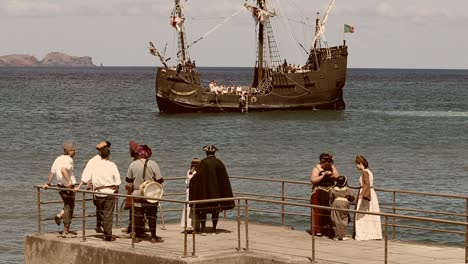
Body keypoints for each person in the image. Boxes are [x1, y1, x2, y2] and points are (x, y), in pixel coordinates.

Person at [74, 141, 121, 242]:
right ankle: (108, 235)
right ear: (108, 154)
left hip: (98, 193)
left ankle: (105, 231)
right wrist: (117, 190)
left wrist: (79, 186)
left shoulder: (93, 163)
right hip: (109, 191)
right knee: (108, 214)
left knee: (102, 213)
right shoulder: (112, 165)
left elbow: (85, 175)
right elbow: (118, 180)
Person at [189, 144, 235, 235]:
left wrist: (191, 180)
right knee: (215, 211)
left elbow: (197, 178)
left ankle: (203, 229)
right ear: (214, 152)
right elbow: (224, 180)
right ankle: (214, 229)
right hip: (217, 193)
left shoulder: (202, 163)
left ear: (206, 152)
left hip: (204, 193)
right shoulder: (219, 163)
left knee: (203, 211)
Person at [125, 144, 165, 243]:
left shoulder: (133, 165)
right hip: (150, 193)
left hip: (137, 193)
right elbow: (160, 180)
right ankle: (153, 237)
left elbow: (128, 182)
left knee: (138, 215)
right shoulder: (153, 164)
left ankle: (138, 237)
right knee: (152, 216)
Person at [41, 140, 77, 238]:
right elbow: (63, 170)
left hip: (60, 187)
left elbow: (52, 172)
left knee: (67, 205)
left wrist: (48, 183)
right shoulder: (69, 159)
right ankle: (66, 231)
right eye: (73, 150)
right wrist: (69, 181)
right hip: (68, 187)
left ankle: (60, 215)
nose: (75, 151)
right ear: (68, 151)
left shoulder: (58, 159)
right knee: (69, 208)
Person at [81, 140, 111, 234]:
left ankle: (100, 225)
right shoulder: (95, 160)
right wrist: (88, 182)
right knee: (100, 207)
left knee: (100, 207)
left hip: (102, 187)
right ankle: (102, 227)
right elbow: (89, 172)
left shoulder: (97, 159)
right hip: (98, 187)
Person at [309, 153, 340, 237]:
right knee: (318, 211)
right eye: (324, 161)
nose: (326, 163)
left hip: (330, 191)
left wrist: (332, 175)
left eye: (328, 161)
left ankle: (328, 230)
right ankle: (318, 230)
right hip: (319, 192)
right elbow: (313, 180)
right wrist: (322, 176)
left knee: (329, 212)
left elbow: (338, 176)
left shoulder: (332, 167)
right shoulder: (317, 168)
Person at [354, 155, 382, 240]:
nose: (356, 166)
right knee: (370, 214)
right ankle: (374, 234)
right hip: (371, 192)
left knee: (361, 214)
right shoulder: (369, 171)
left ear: (360, 164)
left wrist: (362, 194)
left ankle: (363, 234)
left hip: (366, 193)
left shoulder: (364, 172)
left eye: (357, 164)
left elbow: (366, 184)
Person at [122, 140, 140, 234]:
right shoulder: (137, 162)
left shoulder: (134, 163)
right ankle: (131, 227)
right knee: (134, 210)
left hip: (134, 189)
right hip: (136, 189)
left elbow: (129, 179)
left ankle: (133, 228)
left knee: (134, 210)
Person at [329, 175, 355, 241]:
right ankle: (343, 235)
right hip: (344, 204)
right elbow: (352, 198)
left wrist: (331, 205)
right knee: (344, 219)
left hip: (335, 203)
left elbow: (331, 197)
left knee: (335, 219)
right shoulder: (347, 189)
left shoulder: (333, 189)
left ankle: (336, 236)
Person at [180, 158, 200, 232]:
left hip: (195, 191)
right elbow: (187, 183)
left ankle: (195, 225)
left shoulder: (197, 172)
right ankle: (188, 226)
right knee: (188, 209)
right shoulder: (189, 172)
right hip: (189, 191)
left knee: (193, 209)